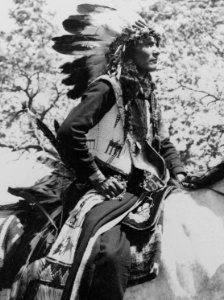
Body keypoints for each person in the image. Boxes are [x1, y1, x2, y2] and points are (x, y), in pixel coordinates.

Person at [53, 5, 186, 300]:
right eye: (148, 44)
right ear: (128, 49)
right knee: (111, 254)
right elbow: (68, 132)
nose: (157, 51)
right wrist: (97, 177)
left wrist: (179, 172)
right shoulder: (107, 88)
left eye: (157, 44)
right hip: (102, 187)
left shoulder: (148, 94)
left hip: (143, 187)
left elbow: (161, 142)